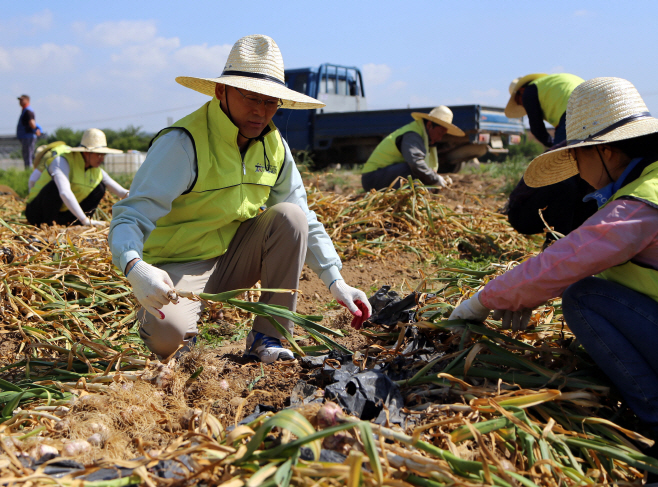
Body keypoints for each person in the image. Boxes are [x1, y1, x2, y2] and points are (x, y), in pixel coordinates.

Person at [108, 34, 372, 363]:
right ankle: (179, 330)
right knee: (168, 341)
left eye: (270, 101)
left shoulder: (274, 146)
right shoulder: (183, 143)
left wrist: (337, 282)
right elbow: (128, 217)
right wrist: (136, 269)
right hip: (178, 267)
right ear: (222, 91)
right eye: (251, 97)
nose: (261, 112)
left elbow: (303, 215)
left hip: (233, 261)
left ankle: (268, 336)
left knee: (291, 217)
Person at [451, 77, 658, 466]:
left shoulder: (642, 204)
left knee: (585, 298)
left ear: (606, 151)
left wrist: (482, 301)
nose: (578, 172)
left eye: (578, 158)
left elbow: (565, 261)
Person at [504, 73, 597, 240]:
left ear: (521, 91)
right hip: (598, 113)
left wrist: (552, 146)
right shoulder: (553, 85)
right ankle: (578, 235)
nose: (522, 105)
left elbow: (537, 128)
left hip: (573, 114)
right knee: (585, 177)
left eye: (519, 101)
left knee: (563, 177)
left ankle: (559, 239)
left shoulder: (530, 91)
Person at [25, 128, 129, 227]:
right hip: (37, 213)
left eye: (103, 155)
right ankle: (48, 225)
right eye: (98, 154)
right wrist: (84, 220)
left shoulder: (96, 171)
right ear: (86, 152)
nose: (101, 159)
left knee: (100, 188)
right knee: (55, 186)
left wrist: (142, 197)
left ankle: (76, 223)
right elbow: (64, 192)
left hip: (62, 214)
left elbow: (121, 192)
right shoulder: (62, 162)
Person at [360, 106, 464, 191]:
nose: (440, 138)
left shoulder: (421, 134)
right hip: (373, 178)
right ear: (429, 125)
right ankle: (400, 201)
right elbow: (415, 163)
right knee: (411, 169)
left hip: (383, 175)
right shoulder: (412, 135)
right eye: (440, 132)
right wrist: (435, 179)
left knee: (424, 176)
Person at [16, 95, 42, 169]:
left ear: (27, 100)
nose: (20, 102)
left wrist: (36, 129)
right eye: (19, 100)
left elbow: (31, 122)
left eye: (22, 100)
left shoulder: (28, 111)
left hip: (28, 136)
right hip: (26, 136)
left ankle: (29, 172)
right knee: (29, 155)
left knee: (28, 155)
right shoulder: (25, 110)